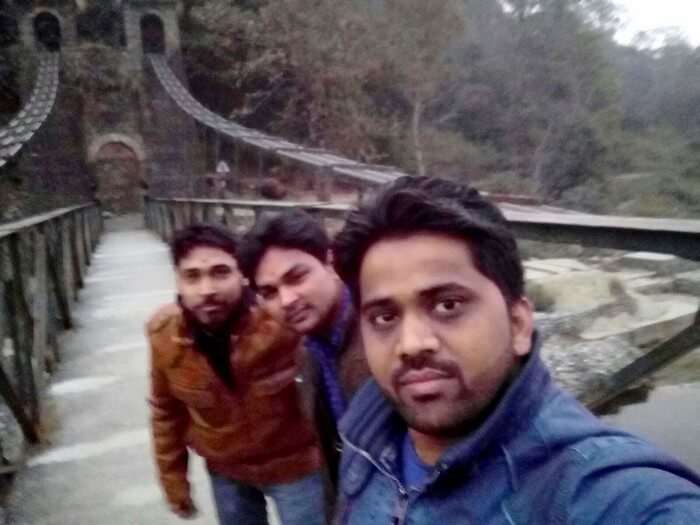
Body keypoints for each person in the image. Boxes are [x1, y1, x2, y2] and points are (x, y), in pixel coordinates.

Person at [331, 176, 700, 524]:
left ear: (519, 324)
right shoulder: (367, 428)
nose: (411, 344)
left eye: (448, 305)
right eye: (384, 317)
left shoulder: (595, 487)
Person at [147, 224, 325, 525]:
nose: (207, 290)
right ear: (177, 280)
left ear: (242, 275)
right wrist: (174, 481)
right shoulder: (164, 336)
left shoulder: (282, 321)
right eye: (193, 276)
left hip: (298, 468)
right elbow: (166, 411)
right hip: (226, 472)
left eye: (220, 272)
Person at [240, 210, 369, 486]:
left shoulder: (378, 335)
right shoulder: (309, 352)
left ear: (330, 263)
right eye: (269, 293)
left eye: (297, 277)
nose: (286, 300)